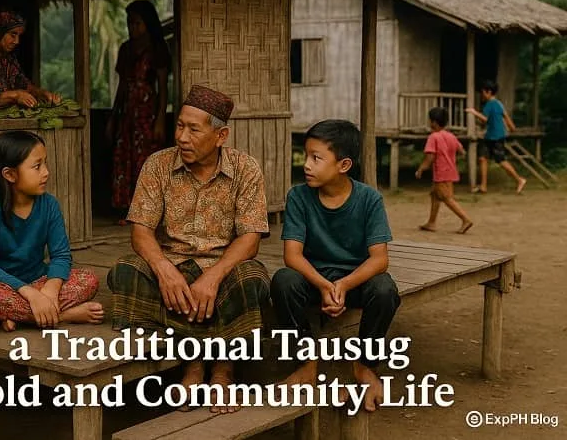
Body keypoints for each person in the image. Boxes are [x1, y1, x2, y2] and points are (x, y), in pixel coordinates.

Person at [107, 85, 271, 414]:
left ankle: (222, 370)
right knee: (125, 272)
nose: (182, 137)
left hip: (222, 271)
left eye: (194, 129)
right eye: (180, 125)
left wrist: (212, 278)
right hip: (174, 272)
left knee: (252, 279)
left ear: (221, 135)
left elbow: (250, 239)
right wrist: (165, 271)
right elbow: (140, 231)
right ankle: (193, 363)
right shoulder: (157, 165)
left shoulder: (245, 169)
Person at [270, 119, 400, 413]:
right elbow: (293, 255)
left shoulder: (369, 199)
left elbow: (380, 259)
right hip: (314, 280)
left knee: (384, 289)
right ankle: (306, 364)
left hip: (353, 282)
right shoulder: (299, 196)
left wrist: (342, 285)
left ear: (343, 165)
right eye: (306, 156)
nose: (306, 165)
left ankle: (365, 366)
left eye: (317, 158)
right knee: (283, 281)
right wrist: (324, 285)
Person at [0, 130, 103, 331]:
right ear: (10, 174)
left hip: (39, 280)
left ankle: (22, 316)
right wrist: (30, 294)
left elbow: (61, 256)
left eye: (45, 163)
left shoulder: (49, 204)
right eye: (37, 166)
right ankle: (63, 315)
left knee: (89, 279)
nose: (46, 172)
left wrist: (50, 288)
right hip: (1, 286)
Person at [106, 0, 171, 224]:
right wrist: (113, 117)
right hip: (127, 113)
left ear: (147, 23)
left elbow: (163, 88)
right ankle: (128, 209)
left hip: (147, 112)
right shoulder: (125, 49)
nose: (132, 27)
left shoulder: (157, 49)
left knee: (145, 161)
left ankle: (147, 211)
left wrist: (160, 119)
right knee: (125, 158)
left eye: (137, 23)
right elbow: (122, 86)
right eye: (129, 23)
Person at [0, 10, 59, 115]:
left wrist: (41, 93)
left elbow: (23, 84)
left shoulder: (8, 58)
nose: (17, 41)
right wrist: (15, 96)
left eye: (19, 36)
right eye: (13, 35)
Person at [416, 107, 473, 234]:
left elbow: (430, 157)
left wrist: (421, 169)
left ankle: (465, 219)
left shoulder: (433, 137)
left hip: (441, 172)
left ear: (434, 122)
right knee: (435, 195)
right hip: (450, 171)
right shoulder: (451, 136)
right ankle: (431, 222)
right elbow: (462, 151)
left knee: (447, 198)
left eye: (430, 121)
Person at [465, 81, 526, 194]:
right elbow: (505, 116)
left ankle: (519, 180)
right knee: (482, 158)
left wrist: (473, 112)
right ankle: (483, 186)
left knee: (501, 160)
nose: (481, 95)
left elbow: (485, 119)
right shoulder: (499, 103)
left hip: (496, 136)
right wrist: (512, 127)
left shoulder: (490, 104)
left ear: (489, 92)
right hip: (490, 136)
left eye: (483, 92)